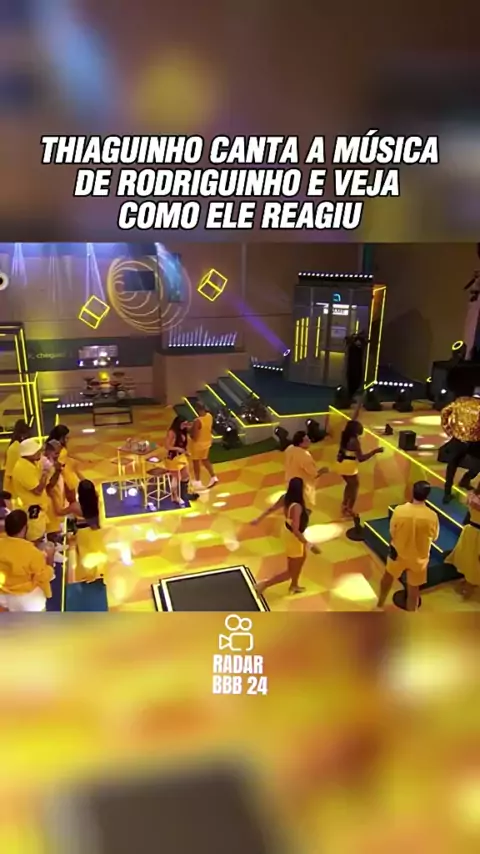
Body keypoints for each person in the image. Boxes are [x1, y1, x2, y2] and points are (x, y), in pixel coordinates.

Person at [377, 481, 439, 611]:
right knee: (413, 590)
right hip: (419, 559)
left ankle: (380, 604)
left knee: (388, 578)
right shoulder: (432, 516)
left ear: (412, 492)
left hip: (398, 554)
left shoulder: (400, 511)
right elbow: (434, 537)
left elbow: (392, 531)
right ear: (427, 496)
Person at [251, 477, 320, 595]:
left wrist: (258, 519)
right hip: (294, 537)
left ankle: (294, 585)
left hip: (287, 532)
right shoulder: (297, 507)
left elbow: (272, 509)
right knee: (291, 571)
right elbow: (296, 530)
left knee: (301, 559)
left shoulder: (285, 498)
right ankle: (264, 585)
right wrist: (310, 545)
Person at [0, 509, 55, 612]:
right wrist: (50, 558)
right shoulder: (33, 553)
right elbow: (44, 577)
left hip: (2, 598)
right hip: (26, 600)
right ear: (24, 528)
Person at [440, 367, 480, 503]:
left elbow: (445, 412)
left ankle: (447, 492)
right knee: (476, 466)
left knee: (452, 466)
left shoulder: (460, 401)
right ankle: (465, 480)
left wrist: (448, 430)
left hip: (458, 440)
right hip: (475, 442)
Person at [11, 438, 54, 544]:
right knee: (35, 539)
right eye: (36, 451)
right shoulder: (22, 468)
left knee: (41, 536)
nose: (40, 453)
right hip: (32, 511)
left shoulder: (32, 463)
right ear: (28, 454)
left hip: (39, 509)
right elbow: (38, 490)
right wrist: (45, 473)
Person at [337, 419, 383, 517]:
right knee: (355, 487)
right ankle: (349, 509)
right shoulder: (355, 441)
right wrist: (375, 451)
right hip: (349, 466)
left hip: (341, 464)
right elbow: (361, 458)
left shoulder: (344, 436)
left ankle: (344, 505)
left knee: (349, 485)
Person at [67, 479, 108, 583]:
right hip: (95, 531)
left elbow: (58, 512)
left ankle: (89, 576)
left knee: (85, 556)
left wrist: (53, 497)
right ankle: (97, 574)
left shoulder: (75, 506)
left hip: (83, 533)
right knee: (96, 552)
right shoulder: (96, 498)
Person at [444, 481, 480, 599]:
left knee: (468, 557)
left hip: (470, 530)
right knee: (475, 560)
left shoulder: (472, 496)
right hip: (477, 533)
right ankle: (470, 582)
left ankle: (469, 580)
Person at [284, 430, 329, 513]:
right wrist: (323, 470)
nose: (309, 441)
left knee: (292, 504)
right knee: (305, 508)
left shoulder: (289, 449)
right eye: (307, 440)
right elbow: (313, 473)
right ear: (300, 443)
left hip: (289, 481)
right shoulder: (305, 456)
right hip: (302, 486)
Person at [47, 424, 84, 502]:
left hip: (61, 475)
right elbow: (59, 466)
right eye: (66, 437)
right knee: (71, 499)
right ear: (61, 437)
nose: (68, 439)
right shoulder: (61, 451)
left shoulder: (50, 445)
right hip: (64, 476)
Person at [190, 402, 218, 490]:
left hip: (198, 444)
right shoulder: (209, 416)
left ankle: (198, 481)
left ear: (196, 409)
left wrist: (190, 430)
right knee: (205, 459)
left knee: (196, 462)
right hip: (207, 442)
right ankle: (213, 477)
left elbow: (194, 436)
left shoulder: (197, 421)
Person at [165, 416, 191, 505]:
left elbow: (183, 444)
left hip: (181, 456)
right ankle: (175, 496)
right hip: (173, 457)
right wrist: (178, 449)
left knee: (186, 475)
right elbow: (167, 446)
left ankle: (183, 493)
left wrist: (185, 452)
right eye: (183, 424)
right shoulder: (172, 432)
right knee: (176, 478)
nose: (185, 426)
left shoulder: (183, 431)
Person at [3, 419, 30, 493]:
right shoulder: (15, 448)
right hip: (14, 487)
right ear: (22, 436)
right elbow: (11, 471)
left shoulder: (18, 446)